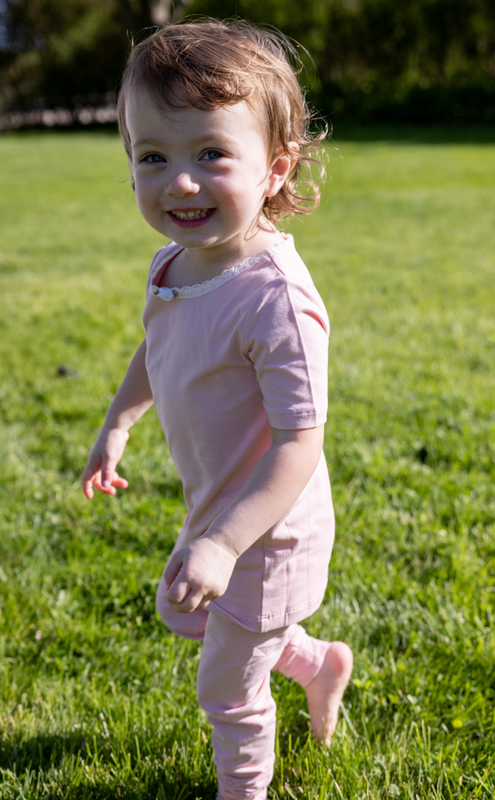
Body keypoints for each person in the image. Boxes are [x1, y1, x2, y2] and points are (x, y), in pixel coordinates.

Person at [82, 19, 353, 800]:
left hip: (268, 530)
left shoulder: (276, 301)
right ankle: (317, 660)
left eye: (210, 154)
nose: (180, 183)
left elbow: (299, 443)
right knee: (191, 616)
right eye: (153, 157)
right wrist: (118, 422)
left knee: (226, 691)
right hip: (219, 510)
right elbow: (156, 341)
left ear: (276, 167)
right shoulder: (175, 261)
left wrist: (225, 544)